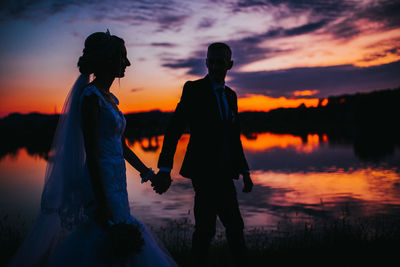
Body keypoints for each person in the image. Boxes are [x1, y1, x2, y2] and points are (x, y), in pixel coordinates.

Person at [8, 31, 177, 267]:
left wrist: (148, 174)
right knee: (106, 234)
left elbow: (121, 145)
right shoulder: (91, 98)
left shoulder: (110, 98)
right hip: (101, 182)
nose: (127, 63)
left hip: (117, 181)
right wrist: (101, 201)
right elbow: (93, 152)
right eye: (123, 57)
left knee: (117, 233)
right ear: (109, 59)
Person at [153, 42, 254, 267]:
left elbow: (234, 137)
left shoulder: (231, 96)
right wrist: (165, 168)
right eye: (212, 61)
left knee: (234, 227)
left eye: (221, 61)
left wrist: (245, 171)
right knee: (206, 229)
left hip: (226, 171)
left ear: (230, 64)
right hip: (203, 172)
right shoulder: (193, 89)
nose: (216, 65)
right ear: (206, 62)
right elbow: (174, 129)